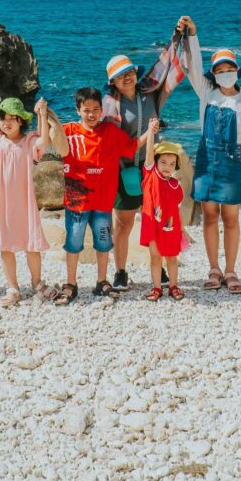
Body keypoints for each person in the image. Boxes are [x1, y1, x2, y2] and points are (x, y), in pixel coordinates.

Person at [101, 28, 189, 292]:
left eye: (129, 72)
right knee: (125, 223)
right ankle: (120, 271)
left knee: (156, 218)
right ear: (113, 82)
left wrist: (178, 37)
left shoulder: (150, 92)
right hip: (124, 169)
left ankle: (158, 264)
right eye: (121, 76)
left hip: (153, 168)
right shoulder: (109, 106)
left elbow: (165, 67)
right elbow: (112, 143)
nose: (127, 77)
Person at [179, 17, 241, 294]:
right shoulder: (206, 93)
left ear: (237, 71)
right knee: (210, 216)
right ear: (214, 74)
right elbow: (193, 67)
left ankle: (231, 270)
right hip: (206, 160)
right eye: (220, 70)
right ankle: (214, 269)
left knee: (231, 218)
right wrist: (192, 35)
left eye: (229, 69)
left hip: (233, 164)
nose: (225, 73)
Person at [56, 87, 156, 305]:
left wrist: (150, 131)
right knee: (73, 243)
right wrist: (44, 116)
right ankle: (70, 283)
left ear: (102, 110)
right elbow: (47, 140)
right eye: (86, 110)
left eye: (96, 109)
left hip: (102, 203)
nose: (91, 114)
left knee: (103, 243)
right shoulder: (68, 131)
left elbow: (132, 146)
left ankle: (101, 281)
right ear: (78, 110)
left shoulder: (110, 131)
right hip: (76, 203)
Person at [0, 87, 67, 308]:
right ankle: (12, 287)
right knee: (6, 245)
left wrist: (41, 114)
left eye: (12, 119)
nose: (6, 123)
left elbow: (44, 140)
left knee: (31, 243)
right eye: (3, 118)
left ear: (21, 121)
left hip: (24, 202)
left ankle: (37, 283)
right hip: (1, 203)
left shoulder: (28, 142)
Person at [139, 119, 187, 302]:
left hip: (170, 227)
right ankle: (157, 288)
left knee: (172, 258)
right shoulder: (151, 176)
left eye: (172, 164)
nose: (168, 167)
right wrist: (151, 132)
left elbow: (177, 209)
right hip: (153, 225)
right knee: (155, 257)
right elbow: (149, 153)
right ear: (156, 162)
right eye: (164, 162)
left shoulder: (175, 185)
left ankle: (173, 286)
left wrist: (182, 228)